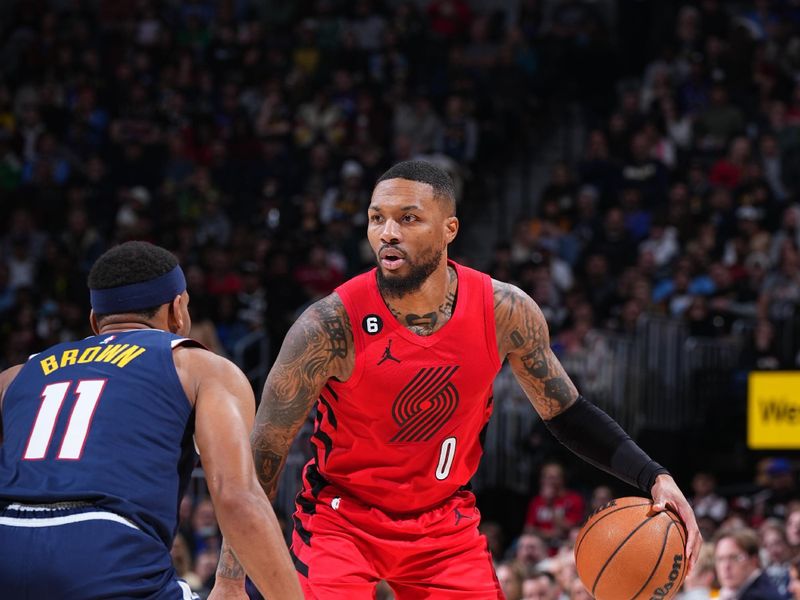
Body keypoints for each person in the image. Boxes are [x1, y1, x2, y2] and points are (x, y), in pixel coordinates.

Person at [210, 160, 701, 599]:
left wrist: (653, 476)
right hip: (342, 518)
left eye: (408, 218)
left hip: (443, 523)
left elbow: (567, 414)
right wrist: (230, 579)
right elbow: (264, 452)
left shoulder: (505, 311)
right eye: (377, 218)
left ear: (449, 229)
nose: (387, 232)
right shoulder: (328, 326)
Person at [0, 241, 302, 600]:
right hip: (104, 550)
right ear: (178, 310)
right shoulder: (197, 366)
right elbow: (237, 497)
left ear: (96, 321)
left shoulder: (16, 375)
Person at [714, 527, 783, 600]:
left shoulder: (763, 595)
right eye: (720, 559)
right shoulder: (731, 593)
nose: (726, 566)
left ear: (753, 561)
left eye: (734, 558)